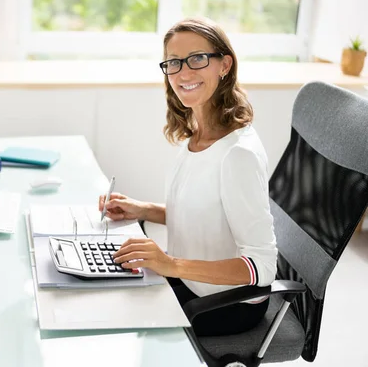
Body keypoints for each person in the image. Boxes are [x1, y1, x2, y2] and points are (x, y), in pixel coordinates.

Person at [99, 17, 277, 337]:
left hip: (227, 302)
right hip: (190, 281)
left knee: (115, 317)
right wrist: (143, 210)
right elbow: (206, 216)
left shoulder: (238, 155)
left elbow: (263, 267)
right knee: (103, 295)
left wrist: (170, 264)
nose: (183, 73)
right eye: (174, 63)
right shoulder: (197, 134)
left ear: (224, 65)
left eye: (197, 59)